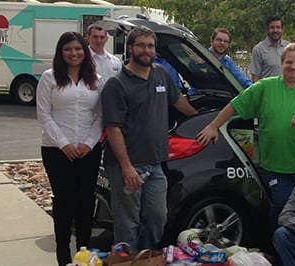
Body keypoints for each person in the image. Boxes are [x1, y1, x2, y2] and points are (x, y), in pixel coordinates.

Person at [197, 43, 295, 231]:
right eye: (289, 62)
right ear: (282, 64)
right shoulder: (265, 87)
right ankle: (278, 248)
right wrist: (213, 126)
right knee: (283, 210)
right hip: (277, 167)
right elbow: (235, 105)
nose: (293, 66)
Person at [101, 26, 198, 250]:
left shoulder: (161, 74)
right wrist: (126, 167)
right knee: (128, 224)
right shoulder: (116, 84)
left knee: (158, 218)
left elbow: (179, 102)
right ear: (130, 48)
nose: (147, 50)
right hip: (127, 166)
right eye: (141, 45)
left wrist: (208, 121)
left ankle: (146, 259)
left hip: (155, 165)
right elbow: (113, 129)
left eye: (151, 46)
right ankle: (128, 262)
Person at [36, 31, 103, 266]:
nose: (73, 53)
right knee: (64, 202)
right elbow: (44, 114)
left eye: (78, 48)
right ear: (60, 52)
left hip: (88, 150)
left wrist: (89, 143)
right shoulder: (50, 77)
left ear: (85, 51)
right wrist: (64, 144)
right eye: (68, 49)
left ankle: (83, 255)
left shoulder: (95, 78)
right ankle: (63, 257)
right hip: (56, 150)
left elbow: (100, 115)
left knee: (85, 202)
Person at [250, 15, 289, 82]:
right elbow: (255, 77)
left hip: (286, 90)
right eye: (272, 27)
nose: (275, 30)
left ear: (282, 30)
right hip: (267, 91)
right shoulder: (259, 49)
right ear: (267, 30)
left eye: (278, 27)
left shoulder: (289, 47)